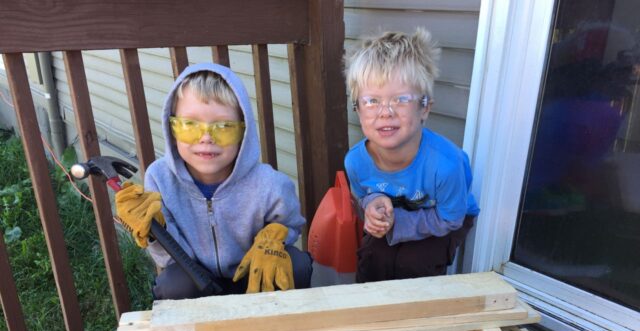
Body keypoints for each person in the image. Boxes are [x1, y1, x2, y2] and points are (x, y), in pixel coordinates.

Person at [115, 62, 312, 299]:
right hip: (196, 280)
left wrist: (275, 236)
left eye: (224, 127)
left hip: (254, 277)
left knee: (297, 264)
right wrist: (157, 232)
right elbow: (168, 258)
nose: (206, 138)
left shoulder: (270, 184)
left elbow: (291, 225)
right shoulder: (160, 178)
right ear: (173, 128)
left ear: (243, 132)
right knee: (173, 284)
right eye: (190, 125)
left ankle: (281, 327)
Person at [344, 29, 480, 282]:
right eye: (372, 100)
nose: (385, 112)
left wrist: (399, 225)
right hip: (398, 214)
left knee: (414, 264)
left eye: (401, 99)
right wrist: (372, 204)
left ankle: (421, 319)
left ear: (424, 108)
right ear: (357, 108)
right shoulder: (355, 161)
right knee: (373, 259)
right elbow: (364, 196)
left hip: (446, 216)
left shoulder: (447, 165)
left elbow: (450, 219)